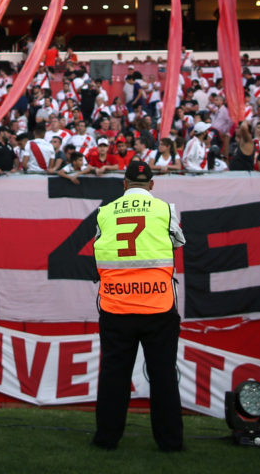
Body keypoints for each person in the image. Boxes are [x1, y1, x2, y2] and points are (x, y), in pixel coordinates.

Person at [92, 160, 184, 452]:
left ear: (124, 183)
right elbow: (177, 242)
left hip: (116, 305)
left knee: (113, 375)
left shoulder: (104, 212)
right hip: (157, 306)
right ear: (152, 185)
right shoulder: (165, 208)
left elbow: (100, 245)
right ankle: (170, 442)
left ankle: (106, 439)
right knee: (163, 375)